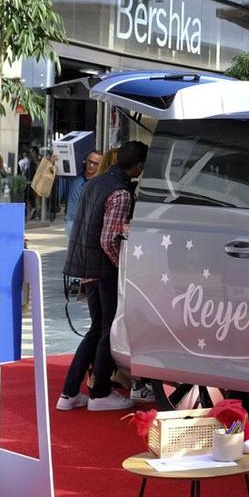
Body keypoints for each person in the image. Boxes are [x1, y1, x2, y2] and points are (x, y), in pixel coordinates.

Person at [58, 141, 147, 413]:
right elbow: (109, 240)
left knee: (97, 328)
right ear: (139, 166)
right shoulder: (120, 193)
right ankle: (99, 393)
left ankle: (70, 392)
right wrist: (124, 268)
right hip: (103, 268)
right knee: (107, 328)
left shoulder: (95, 183)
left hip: (84, 264)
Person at [64, 150, 102, 238]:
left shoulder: (100, 182)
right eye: (90, 161)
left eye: (95, 163)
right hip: (71, 221)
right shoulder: (75, 177)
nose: (91, 165)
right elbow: (56, 173)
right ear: (86, 161)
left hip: (90, 224)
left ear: (100, 165)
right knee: (73, 250)